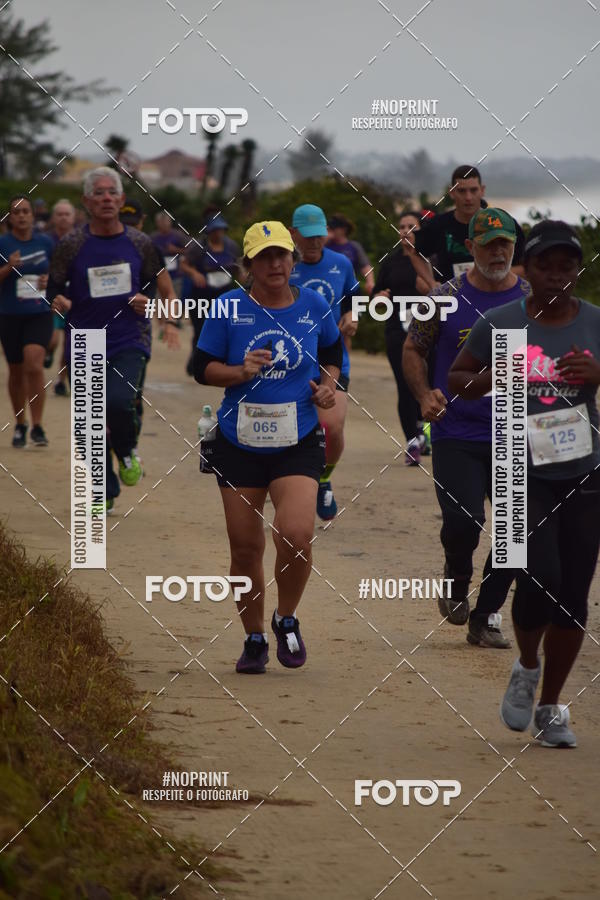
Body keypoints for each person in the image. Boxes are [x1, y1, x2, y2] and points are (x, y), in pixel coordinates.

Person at [448, 220, 600, 747]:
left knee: (574, 593)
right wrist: (494, 376)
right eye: (545, 265)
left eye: (566, 266)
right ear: (527, 270)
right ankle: (528, 666)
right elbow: (458, 379)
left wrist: (596, 375)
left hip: (583, 469)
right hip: (517, 467)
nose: (557, 274)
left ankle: (552, 706)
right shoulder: (502, 322)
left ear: (577, 271)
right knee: (539, 578)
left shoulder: (595, 323)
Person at [194, 221, 342, 674]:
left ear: (293, 260)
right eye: (264, 257)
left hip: (297, 439)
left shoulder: (314, 304)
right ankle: (254, 636)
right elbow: (202, 368)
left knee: (296, 536)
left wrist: (328, 386)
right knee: (244, 548)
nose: (275, 264)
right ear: (249, 265)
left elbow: (333, 355)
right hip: (238, 442)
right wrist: (239, 372)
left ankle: (286, 619)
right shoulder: (227, 307)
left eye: (282, 255)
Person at [403, 208, 530, 648]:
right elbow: (413, 350)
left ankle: (486, 616)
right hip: (455, 430)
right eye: (489, 245)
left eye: (505, 244)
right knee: (464, 521)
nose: (498, 252)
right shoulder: (444, 296)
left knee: (516, 533)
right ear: (471, 246)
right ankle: (456, 576)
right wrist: (424, 395)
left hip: (514, 434)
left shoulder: (533, 298)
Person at [47, 167, 179, 512]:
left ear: (121, 200)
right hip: (85, 339)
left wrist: (156, 308)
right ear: (87, 201)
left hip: (128, 338)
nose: (106, 198)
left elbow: (161, 288)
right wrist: (58, 301)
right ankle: (101, 490)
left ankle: (125, 450)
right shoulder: (71, 245)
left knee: (119, 403)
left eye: (112, 192)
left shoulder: (140, 243)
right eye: (99, 192)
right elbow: (53, 290)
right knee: (89, 419)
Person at [289, 204, 357, 520]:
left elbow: (353, 299)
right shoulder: (283, 265)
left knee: (331, 425)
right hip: (292, 361)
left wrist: (352, 316)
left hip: (333, 358)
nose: (315, 242)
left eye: (320, 235)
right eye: (308, 236)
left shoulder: (341, 263)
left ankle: (324, 478)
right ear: (293, 234)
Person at [371, 210, 434, 465]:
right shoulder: (391, 262)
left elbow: (444, 290)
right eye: (401, 227)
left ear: (420, 230)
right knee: (404, 384)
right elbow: (377, 292)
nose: (405, 231)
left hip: (428, 330)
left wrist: (429, 288)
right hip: (397, 329)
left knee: (427, 382)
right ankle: (412, 443)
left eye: (411, 226)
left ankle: (421, 429)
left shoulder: (430, 259)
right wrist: (379, 297)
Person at [0, 196, 54, 447]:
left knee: (34, 364)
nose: (21, 216)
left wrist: (48, 281)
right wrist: (8, 268)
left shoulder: (45, 242)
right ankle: (20, 424)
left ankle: (38, 426)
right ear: (10, 217)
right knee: (16, 371)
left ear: (33, 215)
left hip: (39, 313)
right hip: (9, 314)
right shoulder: (3, 243)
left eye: (25, 211)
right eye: (16, 212)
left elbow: (58, 274)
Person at [413, 165, 525, 284]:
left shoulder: (503, 223)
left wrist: (493, 276)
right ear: (452, 192)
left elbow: (525, 267)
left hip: (496, 292)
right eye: (462, 191)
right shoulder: (438, 224)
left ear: (482, 190)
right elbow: (415, 253)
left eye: (473, 190)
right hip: (453, 294)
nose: (468, 197)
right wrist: (432, 284)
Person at [180, 213, 240, 375]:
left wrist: (242, 279)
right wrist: (194, 273)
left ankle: (220, 362)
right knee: (201, 330)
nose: (218, 233)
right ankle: (195, 364)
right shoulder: (198, 247)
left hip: (224, 294)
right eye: (214, 230)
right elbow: (184, 265)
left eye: (220, 230)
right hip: (201, 295)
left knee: (225, 329)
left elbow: (238, 266)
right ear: (208, 231)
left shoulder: (231, 246)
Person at [46, 199, 77, 395]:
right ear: (53, 218)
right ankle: (48, 352)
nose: (63, 218)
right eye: (60, 214)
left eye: (67, 214)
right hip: (53, 298)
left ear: (73, 218)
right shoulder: (46, 241)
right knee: (53, 340)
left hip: (74, 300)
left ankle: (61, 381)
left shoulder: (81, 240)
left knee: (69, 345)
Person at [327, 213, 375, 295]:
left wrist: (370, 281)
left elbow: (365, 265)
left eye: (334, 228)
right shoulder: (325, 246)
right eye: (330, 229)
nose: (332, 231)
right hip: (330, 288)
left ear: (344, 229)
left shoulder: (354, 246)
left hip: (350, 289)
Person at [151, 211, 186, 284]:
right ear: (157, 223)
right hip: (159, 275)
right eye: (161, 221)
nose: (164, 224)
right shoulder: (153, 237)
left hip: (176, 275)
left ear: (170, 222)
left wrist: (177, 250)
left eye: (166, 221)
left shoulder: (178, 235)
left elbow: (191, 251)